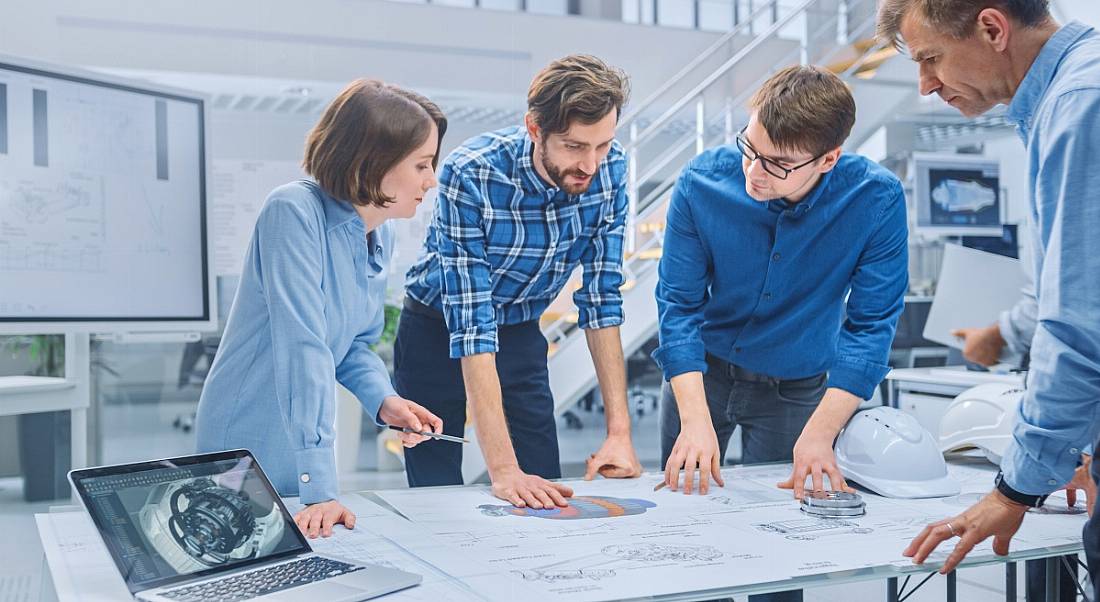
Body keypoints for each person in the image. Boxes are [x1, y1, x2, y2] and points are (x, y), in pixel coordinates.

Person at [653, 64, 908, 602]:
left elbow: (870, 328)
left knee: (782, 549)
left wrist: (820, 435)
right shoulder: (703, 182)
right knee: (686, 538)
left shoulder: (875, 200)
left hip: (799, 389)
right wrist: (695, 421)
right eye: (751, 147)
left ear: (828, 159)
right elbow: (678, 307)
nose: (755, 172)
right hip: (704, 378)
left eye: (779, 163)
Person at [876, 0, 1100, 592]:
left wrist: (1016, 486)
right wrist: (1007, 333)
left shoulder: (1081, 106)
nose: (925, 86)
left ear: (992, 28)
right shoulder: (1076, 88)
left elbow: (1082, 325)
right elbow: (1071, 275)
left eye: (930, 59)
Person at [196, 80, 447, 538]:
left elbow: (352, 344)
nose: (431, 180)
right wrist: (319, 483)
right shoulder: (293, 211)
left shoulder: (378, 233)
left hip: (303, 430)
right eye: (422, 164)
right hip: (247, 433)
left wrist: (384, 400)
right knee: (239, 555)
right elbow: (304, 347)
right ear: (375, 161)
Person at [396, 54, 642, 509]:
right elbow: (472, 321)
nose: (590, 164)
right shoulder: (472, 172)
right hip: (436, 326)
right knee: (437, 484)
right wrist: (503, 471)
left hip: (520, 327)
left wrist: (619, 435)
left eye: (602, 144)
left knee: (544, 477)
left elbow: (602, 299)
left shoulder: (610, 170)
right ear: (535, 128)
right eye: (573, 146)